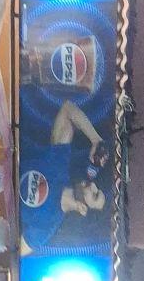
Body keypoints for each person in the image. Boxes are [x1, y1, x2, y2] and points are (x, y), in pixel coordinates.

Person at [16, 99, 108, 253]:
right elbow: (68, 109)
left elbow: (15, 253)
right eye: (97, 187)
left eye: (95, 195)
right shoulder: (59, 164)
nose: (92, 185)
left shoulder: (47, 226)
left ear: (82, 209)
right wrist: (96, 140)